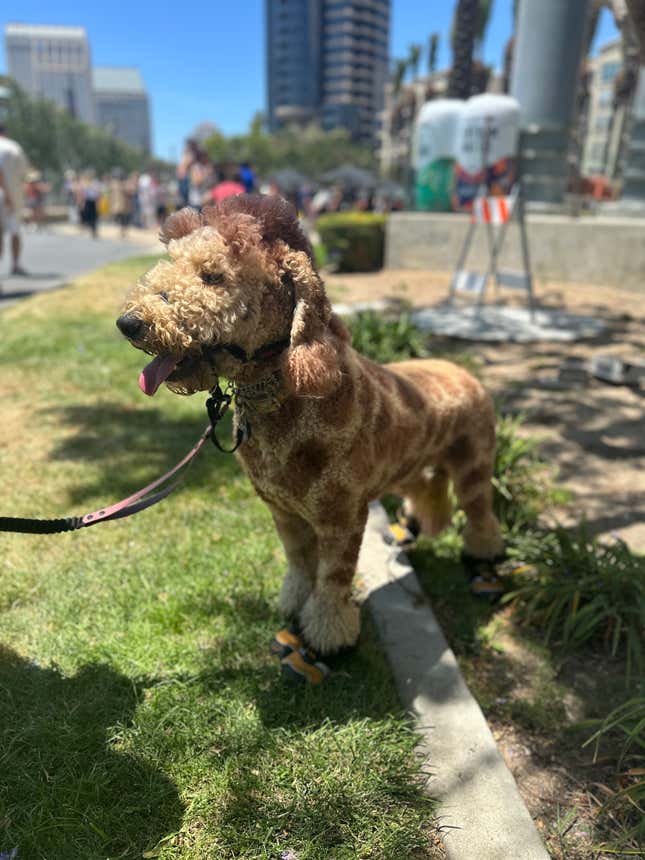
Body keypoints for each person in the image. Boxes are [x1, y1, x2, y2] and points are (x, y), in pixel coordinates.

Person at [0, 123, 29, 281]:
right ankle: (15, 264)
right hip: (11, 196)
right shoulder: (12, 147)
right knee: (15, 231)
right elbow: (24, 171)